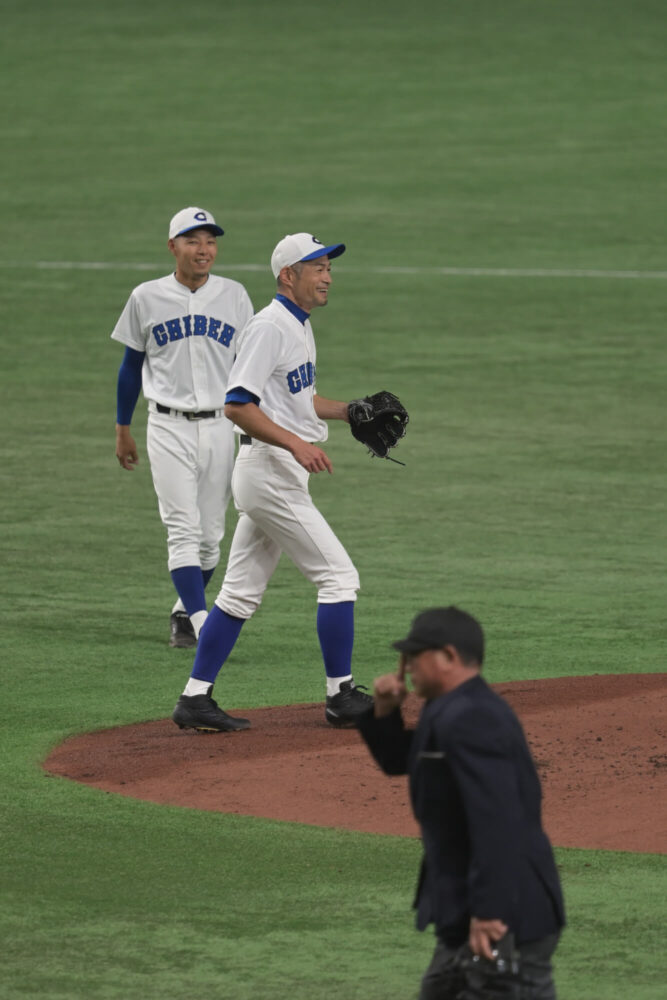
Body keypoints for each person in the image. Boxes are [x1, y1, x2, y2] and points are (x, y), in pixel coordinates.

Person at [171, 232, 374, 732]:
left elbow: (297, 400)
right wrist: (296, 444)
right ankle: (339, 696)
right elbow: (238, 404)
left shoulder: (297, 326)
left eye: (329, 267)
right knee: (339, 578)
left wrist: (349, 411)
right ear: (288, 275)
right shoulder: (270, 328)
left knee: (238, 595)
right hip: (268, 472)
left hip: (274, 473)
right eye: (317, 267)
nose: (327, 275)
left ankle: (195, 698)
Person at [357, 606, 565, 1000]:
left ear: (448, 657)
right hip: (467, 908)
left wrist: (490, 911)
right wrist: (386, 710)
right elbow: (400, 760)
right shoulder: (448, 708)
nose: (405, 666)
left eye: (414, 656)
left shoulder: (474, 717)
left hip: (505, 916)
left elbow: (499, 821)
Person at [111, 207, 253, 648]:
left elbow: (251, 367)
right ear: (173, 246)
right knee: (182, 528)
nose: (203, 249)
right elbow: (130, 367)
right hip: (166, 426)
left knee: (211, 538)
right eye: (193, 240)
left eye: (210, 241)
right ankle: (201, 620)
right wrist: (122, 428)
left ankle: (181, 609)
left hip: (220, 428)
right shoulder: (146, 297)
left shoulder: (235, 296)